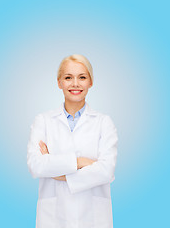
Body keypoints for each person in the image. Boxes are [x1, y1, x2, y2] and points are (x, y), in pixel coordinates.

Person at [27, 54, 118, 228]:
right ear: (59, 82)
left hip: (94, 219)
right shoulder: (43, 121)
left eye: (82, 77)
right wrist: (81, 162)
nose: (75, 84)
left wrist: (56, 172)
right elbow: (36, 166)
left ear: (90, 82)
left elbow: (106, 171)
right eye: (68, 77)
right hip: (52, 219)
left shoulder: (104, 122)